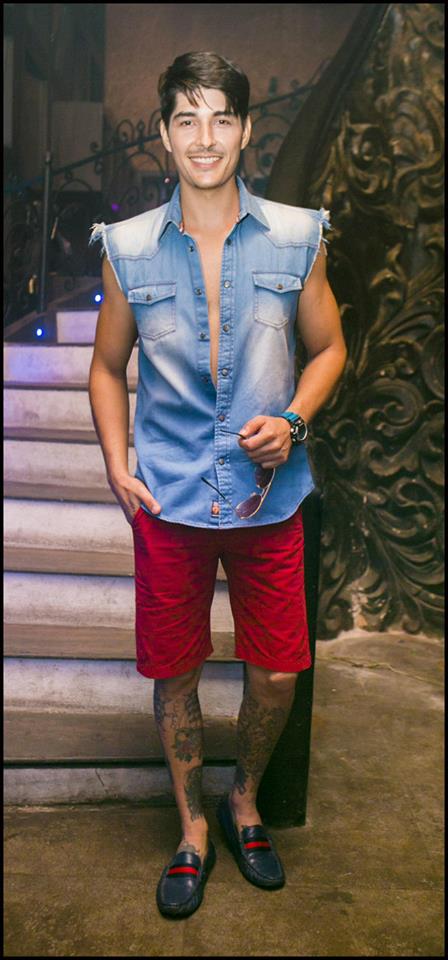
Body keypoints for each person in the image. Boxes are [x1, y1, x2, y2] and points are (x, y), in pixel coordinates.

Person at [88, 51, 347, 919]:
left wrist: (295, 421)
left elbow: (331, 348)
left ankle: (244, 801)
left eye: (221, 118)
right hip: (169, 500)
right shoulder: (128, 249)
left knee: (276, 676)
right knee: (176, 675)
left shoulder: (297, 235)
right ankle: (193, 827)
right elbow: (106, 367)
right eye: (186, 119)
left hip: (271, 499)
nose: (205, 137)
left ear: (245, 131)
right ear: (164, 136)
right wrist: (116, 464)